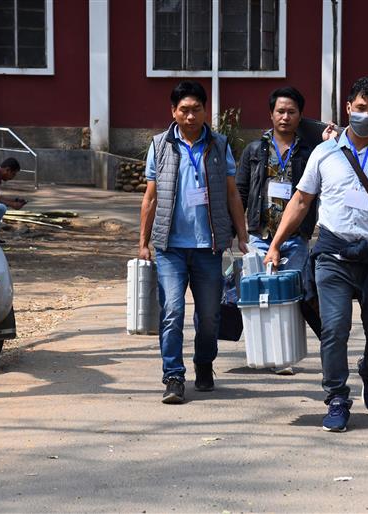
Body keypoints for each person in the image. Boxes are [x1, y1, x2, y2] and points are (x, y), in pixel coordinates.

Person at [263, 77, 368, 432]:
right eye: (360, 108)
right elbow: (301, 200)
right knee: (334, 329)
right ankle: (337, 397)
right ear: (347, 108)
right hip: (333, 252)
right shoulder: (324, 153)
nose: (366, 115)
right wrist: (276, 243)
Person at [138, 81, 249, 405]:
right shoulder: (159, 145)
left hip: (208, 247)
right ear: (173, 111)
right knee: (172, 310)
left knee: (210, 314)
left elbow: (231, 193)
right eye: (183, 109)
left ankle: (204, 363)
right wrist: (143, 242)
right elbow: (150, 197)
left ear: (205, 111)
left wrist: (242, 235)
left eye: (196, 109)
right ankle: (173, 376)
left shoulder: (219, 145)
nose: (190, 115)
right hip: (170, 247)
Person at [235, 87, 319, 375]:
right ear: (271, 114)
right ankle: (261, 350)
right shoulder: (254, 150)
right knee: (259, 297)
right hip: (260, 235)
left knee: (290, 296)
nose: (285, 117)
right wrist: (239, 232)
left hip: (295, 237)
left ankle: (284, 356)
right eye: (280, 111)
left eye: (291, 112)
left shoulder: (310, 153)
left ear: (300, 116)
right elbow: (241, 191)